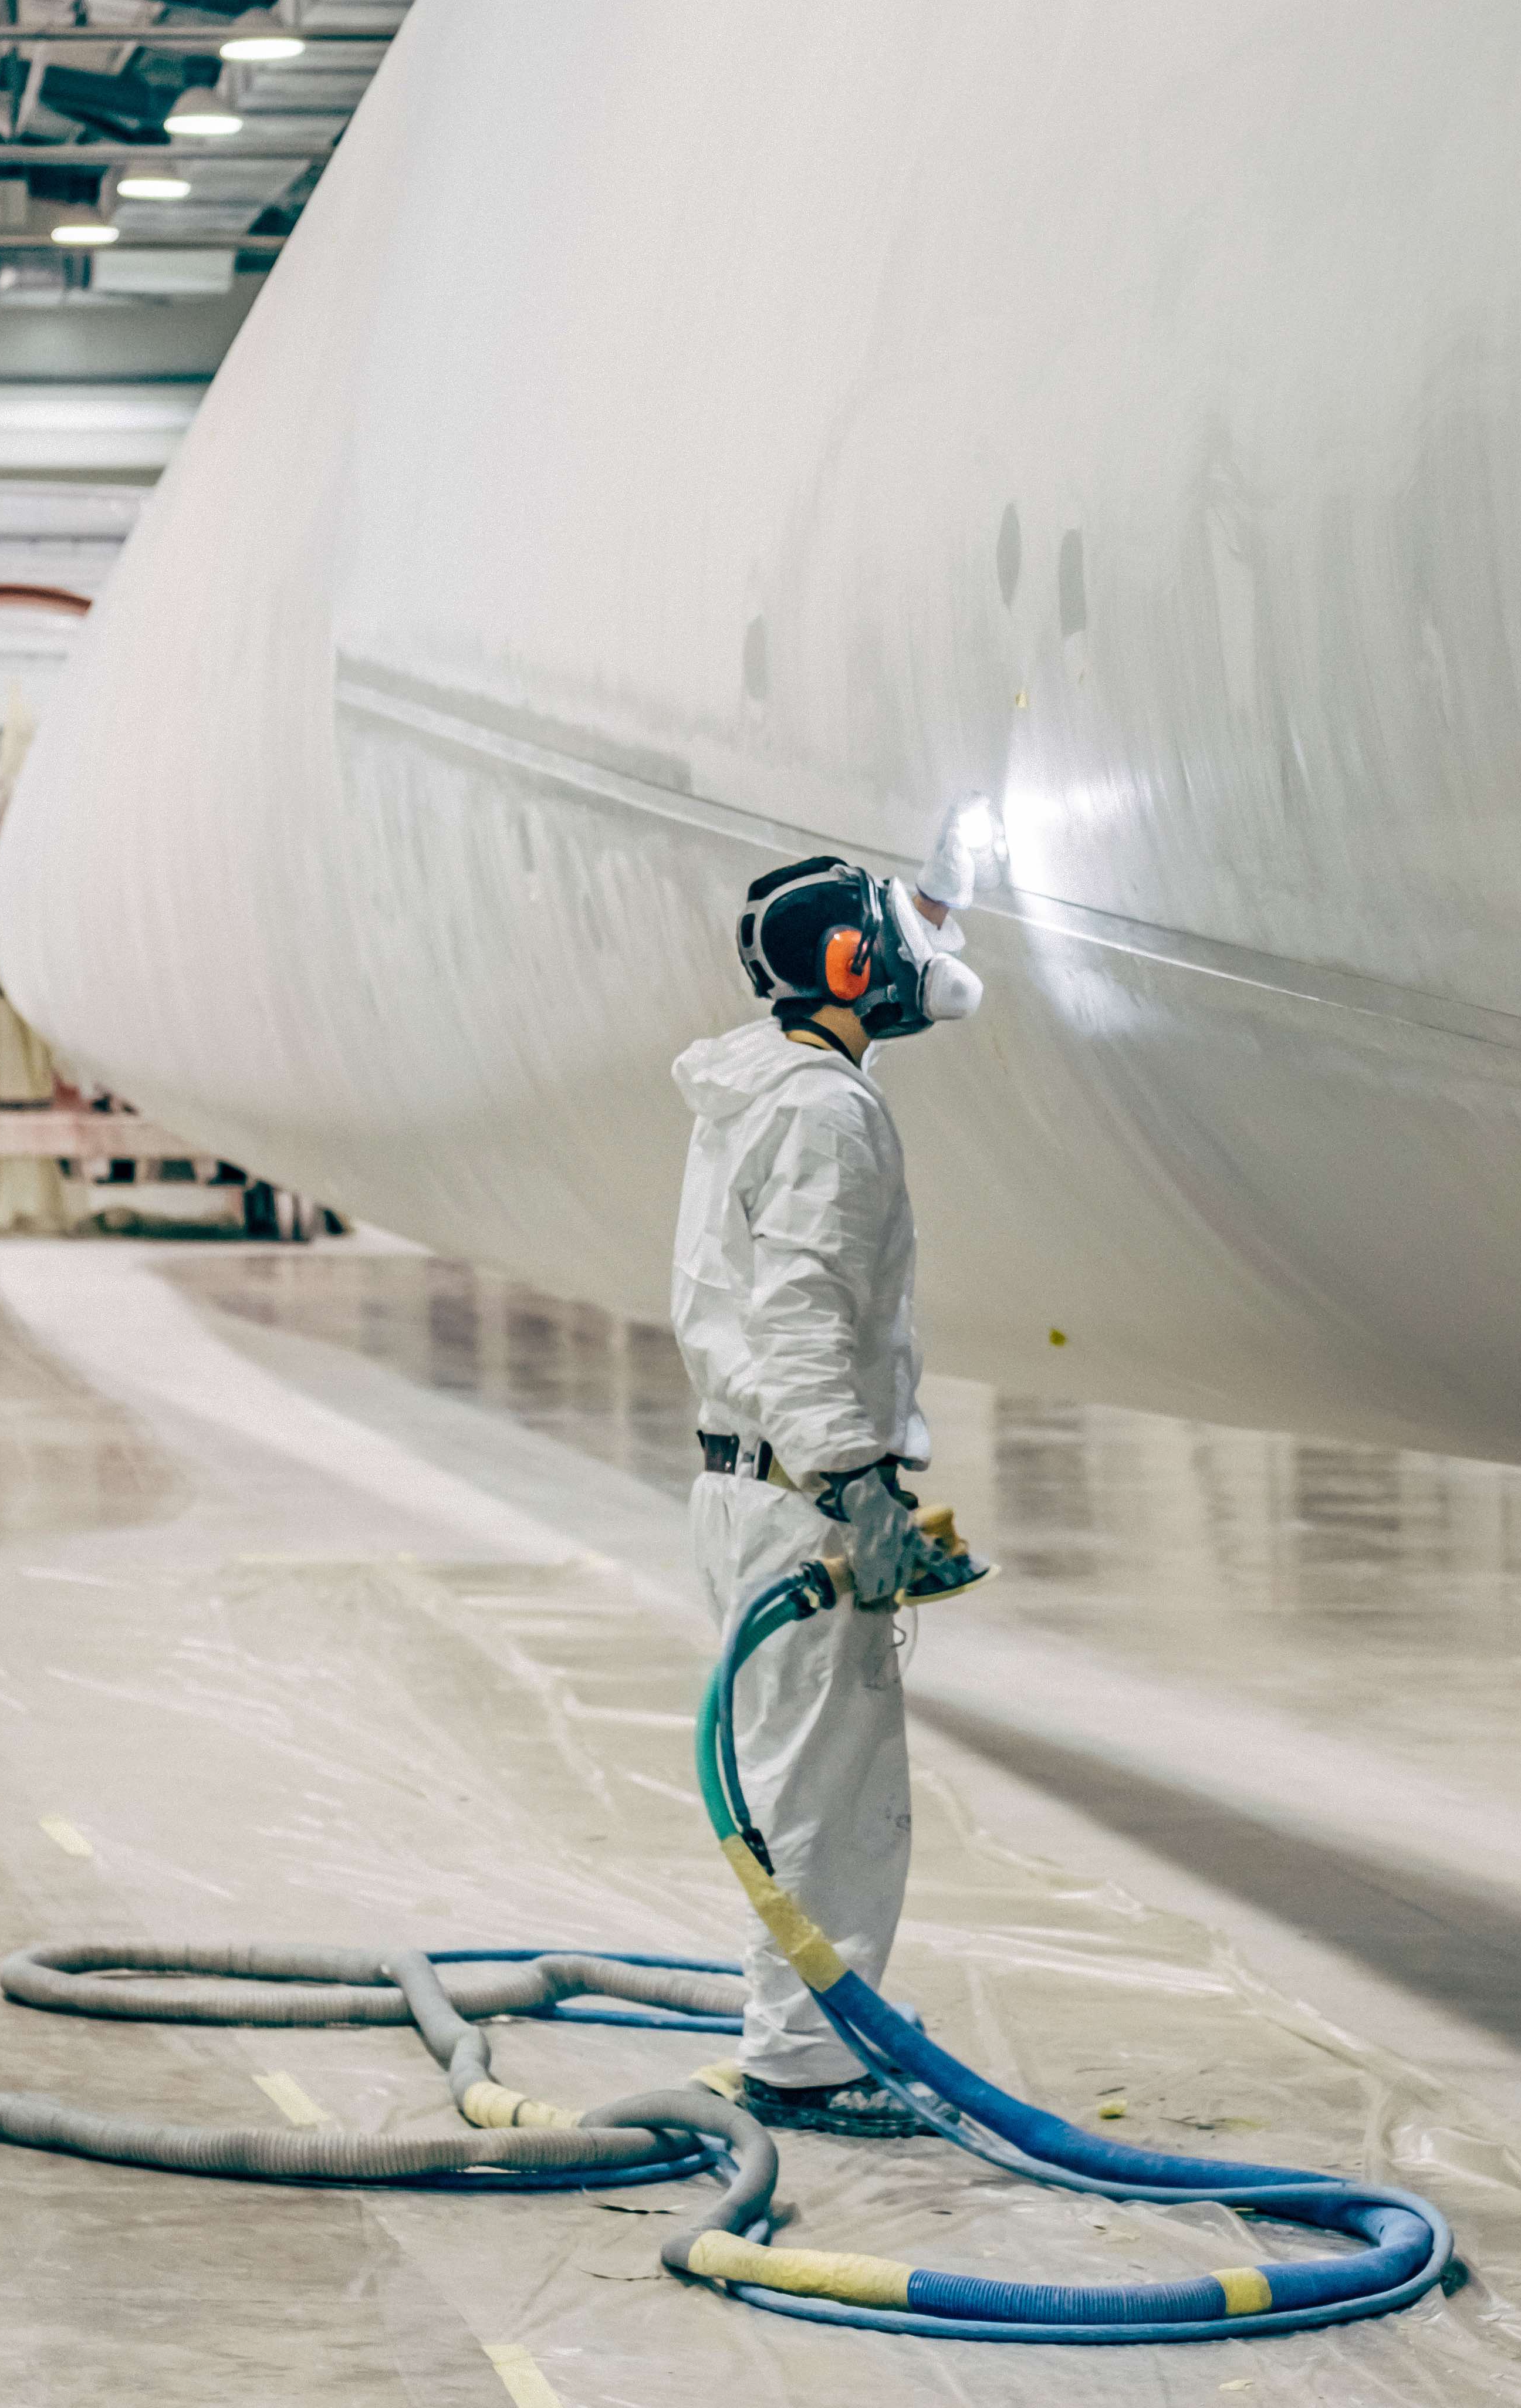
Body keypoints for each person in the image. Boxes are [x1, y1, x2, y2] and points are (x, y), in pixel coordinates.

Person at [670, 810, 986, 2135]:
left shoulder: (762, 1087)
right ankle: (805, 2067)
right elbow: (800, 1316)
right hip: (800, 1501)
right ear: (851, 964)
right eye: (904, 930)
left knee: (803, 1782)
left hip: (755, 1485)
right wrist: (857, 1487)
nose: (929, 952)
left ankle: (808, 2042)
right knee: (824, 1802)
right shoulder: (823, 1112)